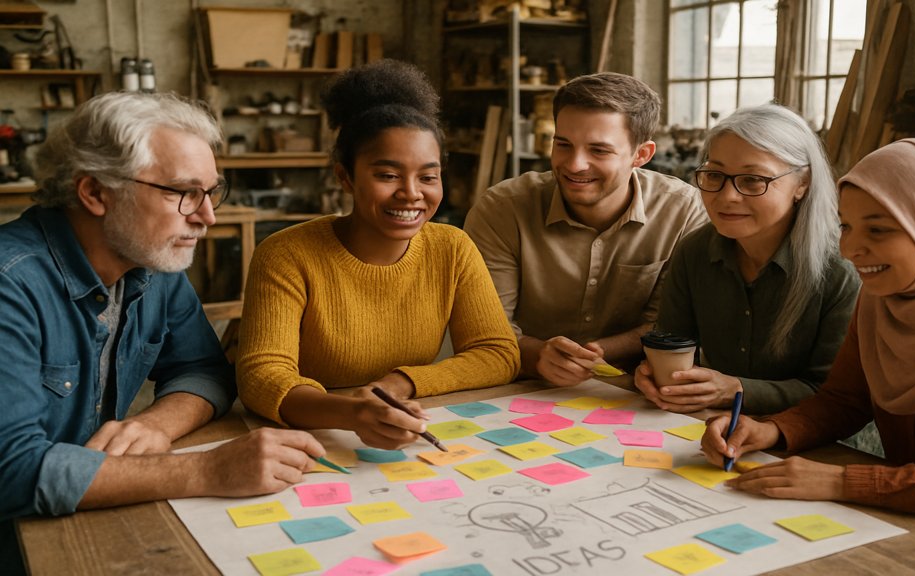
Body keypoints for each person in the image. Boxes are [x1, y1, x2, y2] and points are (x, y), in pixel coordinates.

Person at [0, 92, 329, 575]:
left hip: (77, 518)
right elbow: (12, 473)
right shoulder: (10, 283)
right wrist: (207, 470)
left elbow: (205, 369)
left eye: (211, 192)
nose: (206, 217)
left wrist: (156, 424)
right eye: (182, 192)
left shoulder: (153, 266)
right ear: (95, 192)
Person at [703, 138, 915, 522]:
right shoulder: (882, 302)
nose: (849, 249)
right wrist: (769, 430)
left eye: (879, 230)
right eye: (846, 227)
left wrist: (841, 482)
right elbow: (845, 400)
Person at [236, 60, 520, 448]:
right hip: (311, 436)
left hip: (399, 422)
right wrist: (352, 413)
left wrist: (401, 382)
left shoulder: (452, 248)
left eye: (428, 176)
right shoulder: (286, 254)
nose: (411, 193)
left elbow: (498, 353)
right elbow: (262, 376)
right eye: (387, 175)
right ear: (345, 176)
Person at [463, 72, 708, 387]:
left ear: (642, 155)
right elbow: (487, 329)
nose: (575, 164)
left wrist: (599, 351)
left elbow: (671, 324)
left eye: (599, 151)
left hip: (633, 388)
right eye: (563, 144)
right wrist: (538, 355)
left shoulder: (683, 210)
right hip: (519, 385)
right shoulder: (503, 208)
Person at [634, 104, 860, 415]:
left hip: (815, 444)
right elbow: (672, 346)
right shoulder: (694, 251)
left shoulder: (842, 269)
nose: (727, 197)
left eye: (753, 180)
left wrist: (737, 390)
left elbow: (834, 394)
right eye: (714, 175)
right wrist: (655, 374)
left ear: (802, 184)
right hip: (712, 426)